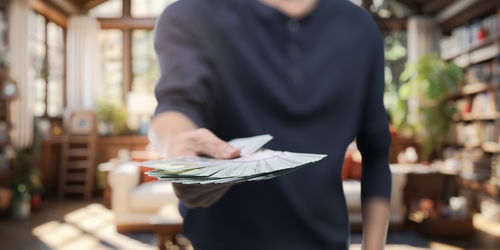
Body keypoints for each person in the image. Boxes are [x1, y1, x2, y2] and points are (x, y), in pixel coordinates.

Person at [149, 0, 392, 249]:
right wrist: (177, 143)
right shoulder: (191, 14)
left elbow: (376, 150)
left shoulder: (359, 28)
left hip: (326, 241)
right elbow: (177, 105)